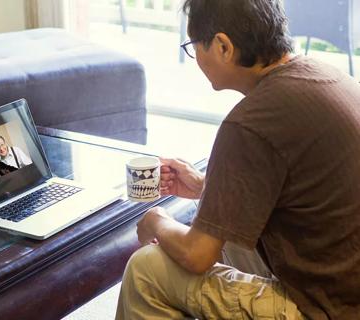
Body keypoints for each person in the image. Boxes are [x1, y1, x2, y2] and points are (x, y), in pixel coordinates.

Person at [116, 0, 360, 319]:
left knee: (147, 268)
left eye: (194, 47)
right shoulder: (326, 77)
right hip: (345, 279)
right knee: (224, 233)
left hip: (327, 307)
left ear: (223, 46)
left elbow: (197, 256)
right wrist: (208, 188)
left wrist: (156, 221)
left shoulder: (249, 123)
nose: (195, 59)